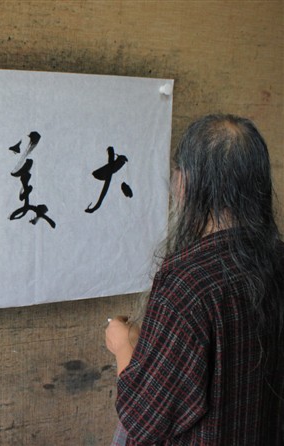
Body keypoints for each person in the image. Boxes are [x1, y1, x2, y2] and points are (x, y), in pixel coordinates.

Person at [105, 114, 284, 445]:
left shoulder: (186, 283)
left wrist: (122, 345)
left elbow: (144, 419)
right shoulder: (278, 259)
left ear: (184, 183)